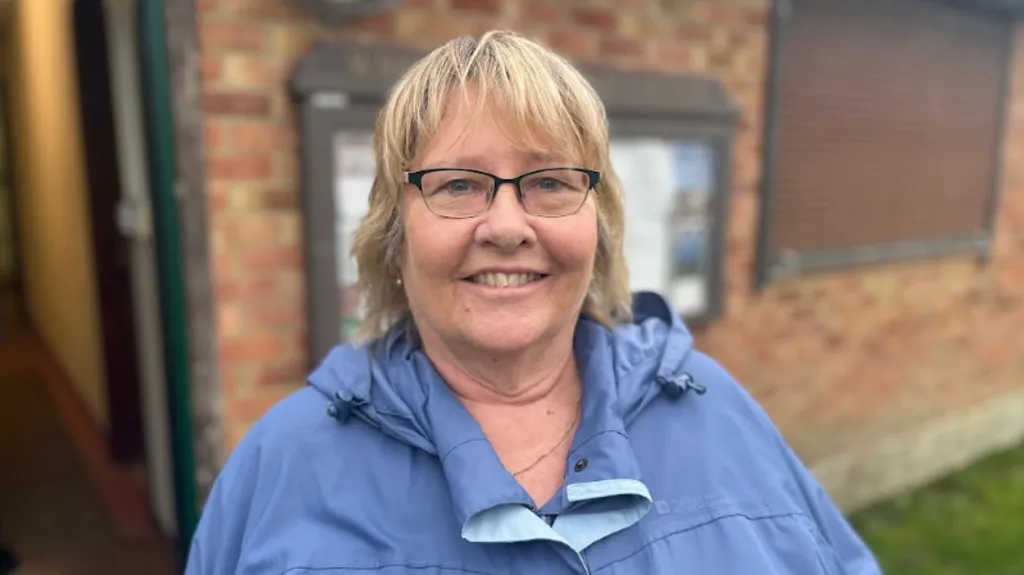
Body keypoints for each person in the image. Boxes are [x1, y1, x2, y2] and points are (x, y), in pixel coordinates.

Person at [186, 30, 881, 574]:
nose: (509, 226)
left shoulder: (715, 408)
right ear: (394, 237)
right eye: (458, 185)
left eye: (549, 181)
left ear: (597, 227)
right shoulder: (280, 465)